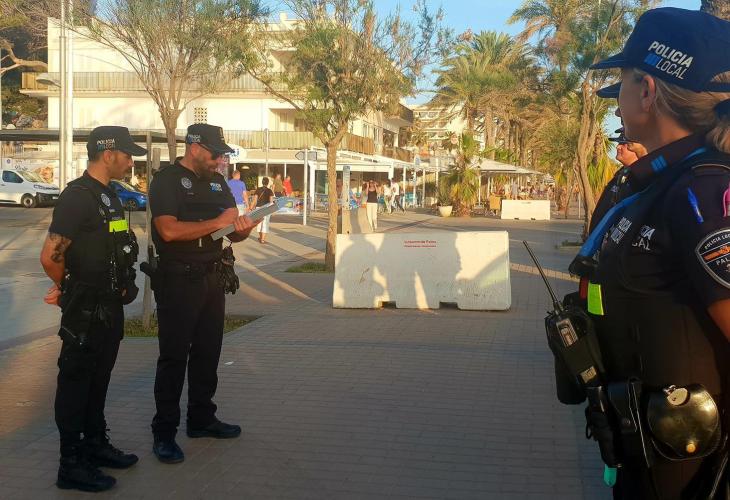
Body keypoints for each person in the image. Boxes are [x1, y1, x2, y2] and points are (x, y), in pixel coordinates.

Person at [567, 9, 730, 499]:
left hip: (693, 474)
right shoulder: (661, 183)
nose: (617, 99)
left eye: (623, 79)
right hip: (650, 456)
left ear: (647, 90)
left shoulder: (702, 191)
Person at [39, 126, 146, 492]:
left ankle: (95, 444)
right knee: (76, 382)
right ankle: (70, 464)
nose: (131, 162)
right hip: (85, 309)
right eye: (127, 155)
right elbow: (50, 256)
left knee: (98, 379)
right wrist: (67, 289)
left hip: (109, 306)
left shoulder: (110, 195)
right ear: (108, 154)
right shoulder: (77, 197)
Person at [147, 123, 259, 464]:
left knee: (208, 352)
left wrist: (243, 228)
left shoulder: (217, 182)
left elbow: (230, 232)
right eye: (215, 154)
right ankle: (164, 433)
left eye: (222, 155)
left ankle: (201, 418)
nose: (219, 160)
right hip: (178, 279)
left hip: (212, 275)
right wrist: (219, 221)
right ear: (194, 148)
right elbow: (168, 230)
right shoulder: (166, 181)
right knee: (174, 357)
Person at [251, 176, 275, 244]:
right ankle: (262, 240)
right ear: (268, 183)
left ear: (262, 182)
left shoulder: (258, 190)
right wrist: (272, 210)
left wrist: (251, 207)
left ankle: (261, 237)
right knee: (265, 223)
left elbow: (255, 200)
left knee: (259, 223)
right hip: (266, 208)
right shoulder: (269, 191)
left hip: (258, 208)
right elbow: (271, 202)